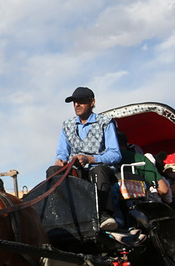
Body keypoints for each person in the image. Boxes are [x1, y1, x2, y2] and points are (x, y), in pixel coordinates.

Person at [51, 86, 122, 230]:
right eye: (74, 102)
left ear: (92, 102)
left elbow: (115, 154)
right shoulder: (67, 125)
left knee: (98, 172)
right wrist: (60, 161)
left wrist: (90, 159)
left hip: (99, 168)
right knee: (53, 171)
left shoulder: (105, 123)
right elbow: (62, 152)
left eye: (81, 101)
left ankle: (104, 215)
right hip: (75, 168)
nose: (77, 105)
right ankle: (62, 214)